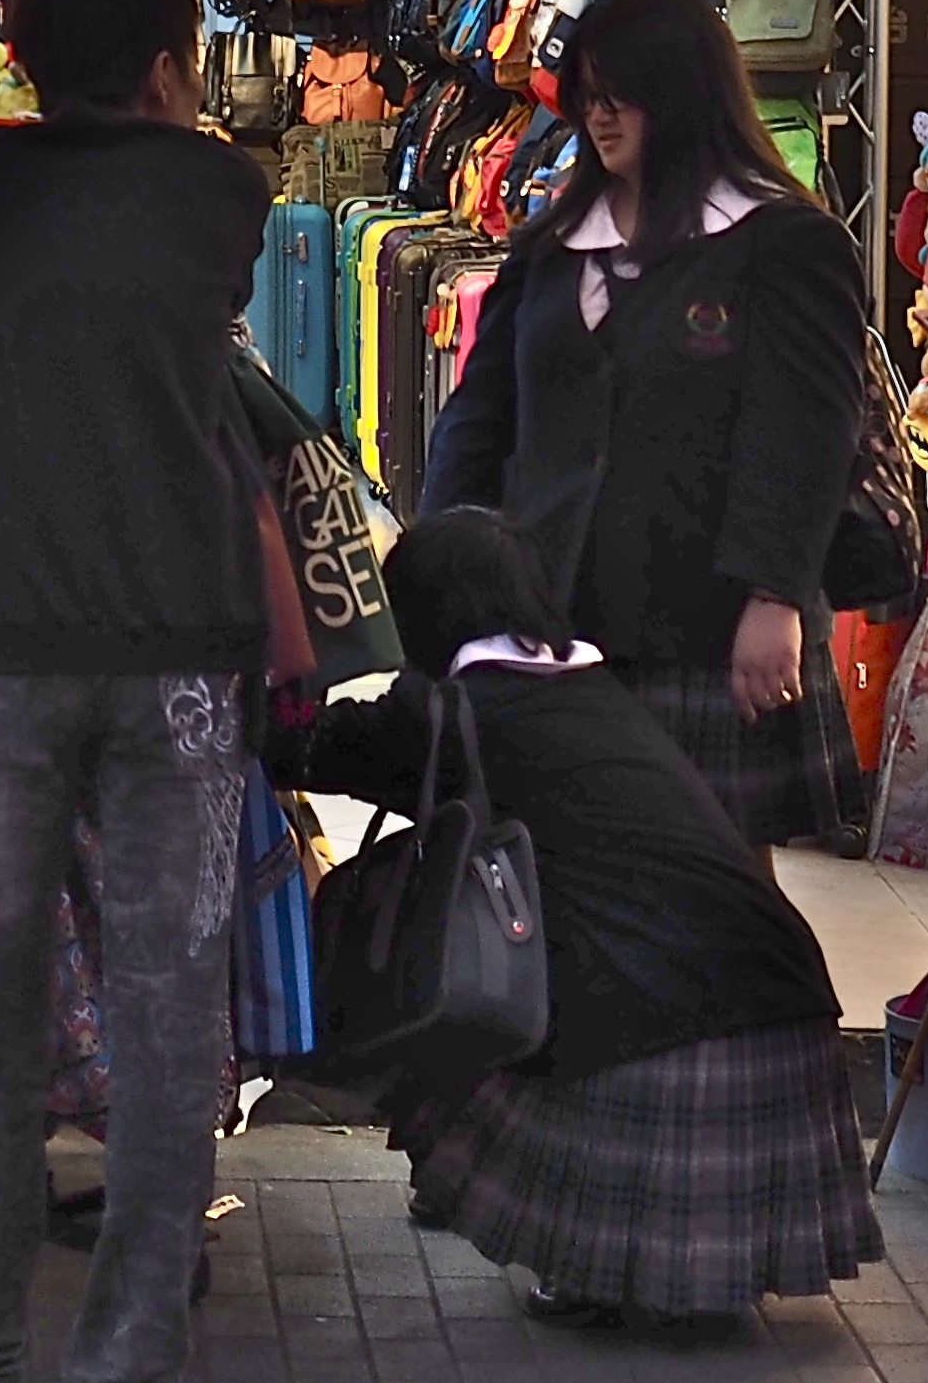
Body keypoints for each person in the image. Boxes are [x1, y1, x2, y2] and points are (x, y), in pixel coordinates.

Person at [0, 0, 272, 1383]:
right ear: (171, 69)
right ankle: (128, 1348)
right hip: (180, 650)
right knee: (166, 1002)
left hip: (3, 648)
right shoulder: (218, 192)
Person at [294, 508, 877, 1332]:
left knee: (471, 979)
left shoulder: (456, 711)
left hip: (670, 1020)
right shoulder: (590, 685)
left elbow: (306, 745)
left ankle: (613, 1268)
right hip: (787, 999)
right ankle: (690, 1271)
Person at [421, 0, 871, 862]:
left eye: (619, 91)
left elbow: (804, 432)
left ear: (680, 90)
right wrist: (444, 575)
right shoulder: (548, 247)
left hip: (707, 624)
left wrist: (773, 595)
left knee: (715, 884)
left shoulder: (780, 242)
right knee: (565, 878)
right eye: (586, 92)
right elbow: (479, 417)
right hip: (547, 621)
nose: (597, 114)